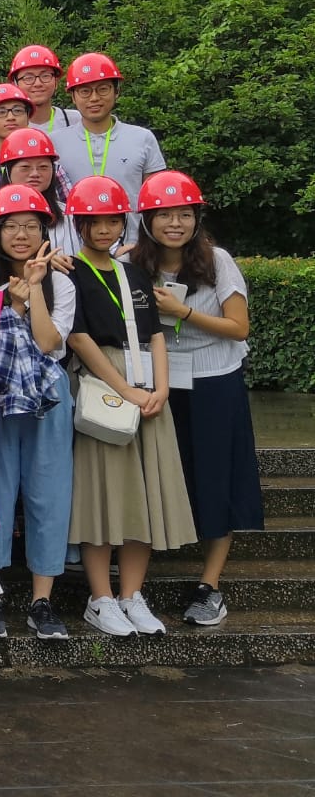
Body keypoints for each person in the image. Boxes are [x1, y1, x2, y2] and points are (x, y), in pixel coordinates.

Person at [64, 176, 196, 637]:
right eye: (94, 222)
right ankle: (100, 598)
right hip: (104, 388)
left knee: (146, 492)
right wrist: (125, 389)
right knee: (103, 495)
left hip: (148, 388)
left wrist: (160, 388)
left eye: (112, 221)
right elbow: (79, 338)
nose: (104, 230)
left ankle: (131, 595)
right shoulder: (71, 272)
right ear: (79, 224)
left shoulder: (135, 272)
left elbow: (156, 332)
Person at [131, 171, 260, 627]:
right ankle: (134, 580)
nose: (175, 224)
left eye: (184, 214)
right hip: (159, 382)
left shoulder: (217, 261)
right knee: (157, 474)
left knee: (215, 477)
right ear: (147, 220)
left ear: (196, 218)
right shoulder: (133, 263)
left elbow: (239, 327)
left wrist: (182, 312)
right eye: (164, 215)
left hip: (215, 380)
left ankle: (210, 585)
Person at [0, 184, 77, 640]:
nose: (21, 235)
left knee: (48, 493)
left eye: (31, 226)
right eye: (10, 226)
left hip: (47, 396)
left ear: (44, 233)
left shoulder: (61, 283)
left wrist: (34, 291)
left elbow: (50, 342)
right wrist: (11, 300)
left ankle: (41, 600)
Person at [53, 53, 167, 241]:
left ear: (116, 91)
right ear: (73, 96)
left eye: (103, 89)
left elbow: (158, 201)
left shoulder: (142, 138)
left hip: (133, 245)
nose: (94, 98)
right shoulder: (55, 142)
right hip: (73, 248)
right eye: (85, 91)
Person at [0, 128, 76, 257]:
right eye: (25, 167)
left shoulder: (67, 214)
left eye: (43, 167)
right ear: (8, 171)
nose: (35, 173)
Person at [9, 45, 81, 134]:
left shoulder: (74, 120)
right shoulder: (8, 126)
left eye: (45, 76)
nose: (38, 83)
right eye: (28, 78)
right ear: (15, 84)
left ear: (56, 81)